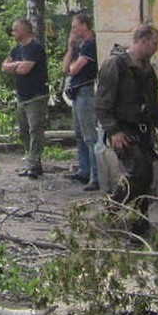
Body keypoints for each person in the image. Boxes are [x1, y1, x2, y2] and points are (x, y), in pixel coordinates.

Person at [94, 23, 158, 238]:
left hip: (144, 131)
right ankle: (109, 214)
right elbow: (101, 106)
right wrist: (114, 132)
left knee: (147, 178)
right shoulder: (115, 66)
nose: (157, 47)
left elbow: (154, 106)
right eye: (155, 43)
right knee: (137, 172)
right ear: (142, 41)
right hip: (123, 129)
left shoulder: (147, 70)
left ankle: (139, 222)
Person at [1, 18, 49, 179]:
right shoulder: (16, 49)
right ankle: (34, 162)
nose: (12, 33)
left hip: (36, 96)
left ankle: (33, 165)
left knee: (35, 129)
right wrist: (17, 64)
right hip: (22, 96)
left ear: (23, 30)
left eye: (15, 30)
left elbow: (24, 70)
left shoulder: (35, 48)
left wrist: (15, 66)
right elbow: (4, 66)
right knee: (23, 132)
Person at [62, 12, 100, 192]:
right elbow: (66, 68)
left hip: (86, 92)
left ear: (85, 25)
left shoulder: (91, 44)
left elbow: (75, 69)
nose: (73, 30)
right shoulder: (79, 46)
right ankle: (84, 170)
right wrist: (70, 48)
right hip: (76, 93)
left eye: (75, 26)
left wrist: (72, 67)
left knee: (90, 136)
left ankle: (96, 176)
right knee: (79, 134)